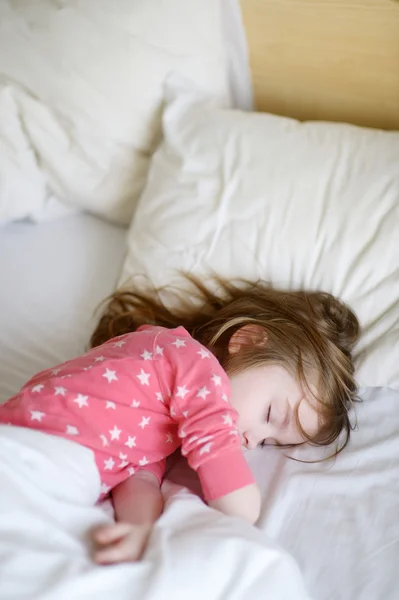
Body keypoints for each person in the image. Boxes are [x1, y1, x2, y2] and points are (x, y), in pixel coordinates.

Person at [0, 277, 359, 565]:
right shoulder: (191, 364)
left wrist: (139, 530)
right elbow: (237, 504)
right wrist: (245, 502)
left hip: (46, 469)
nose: (253, 440)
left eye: (268, 442)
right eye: (270, 415)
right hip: (33, 452)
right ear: (247, 340)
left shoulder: (162, 417)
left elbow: (139, 477)